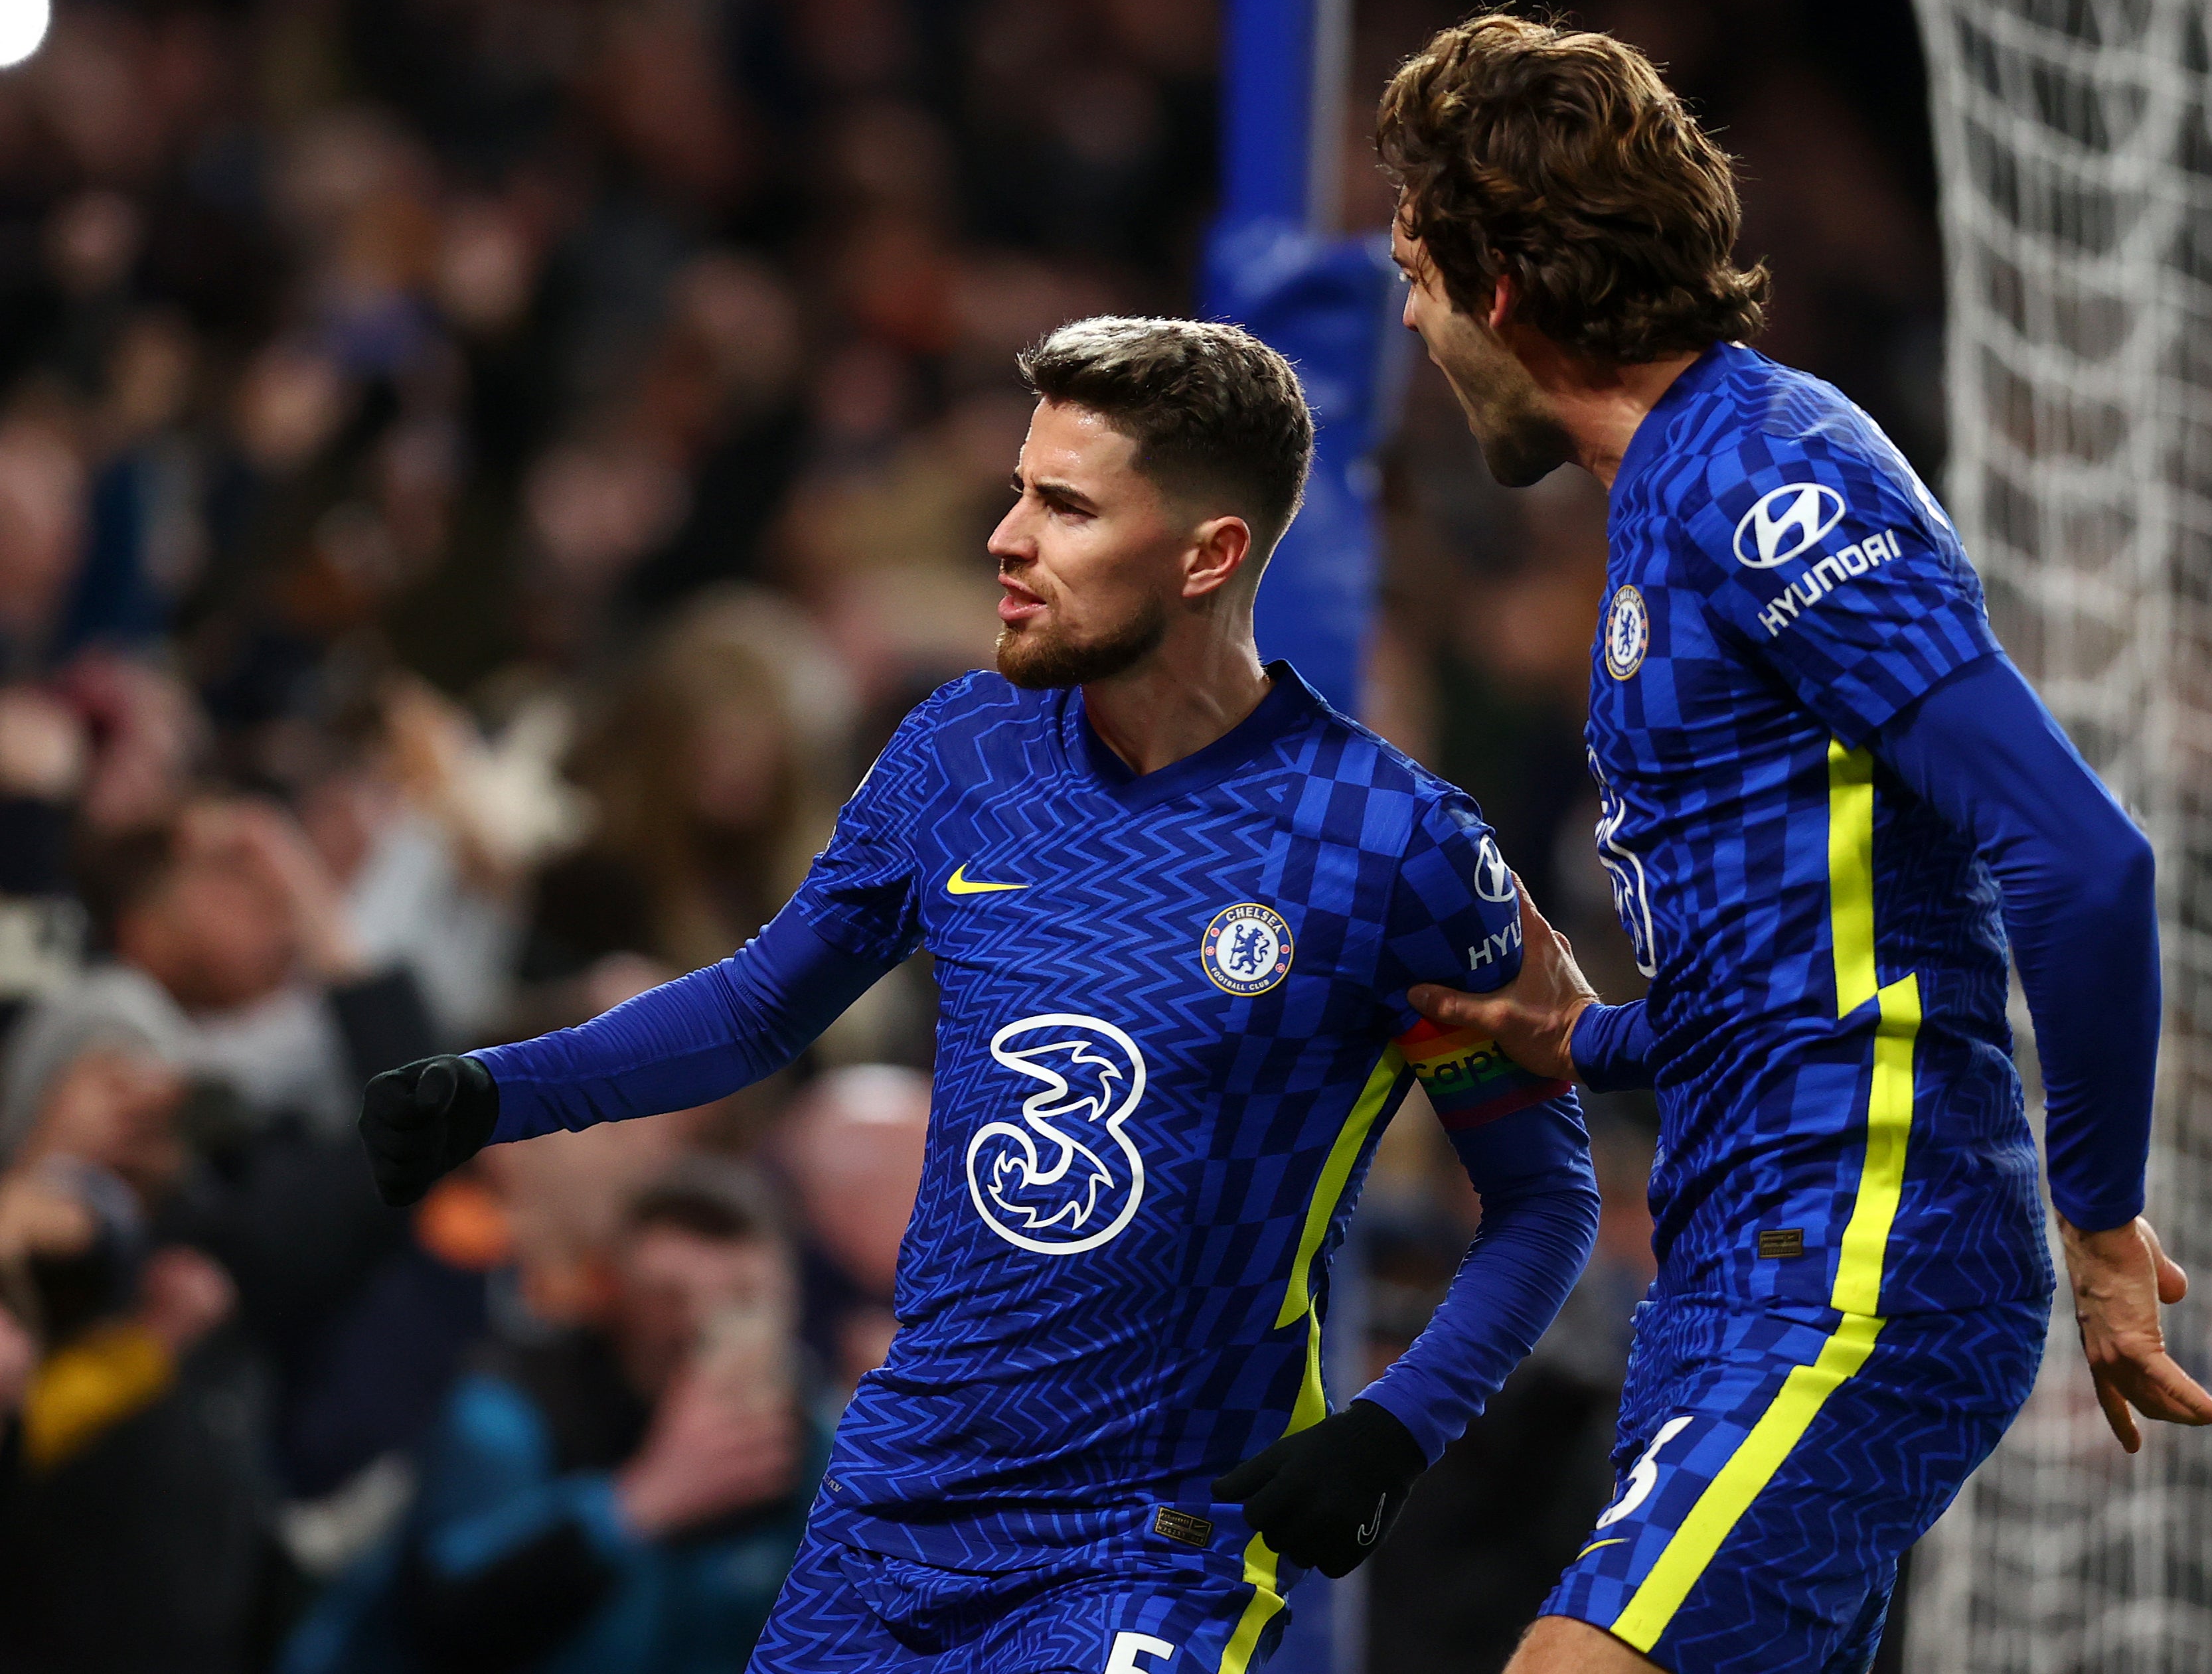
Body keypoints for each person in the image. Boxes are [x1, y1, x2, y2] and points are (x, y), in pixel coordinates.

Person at [360, 317, 1602, 1674]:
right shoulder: (961, 754)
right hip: (896, 1510)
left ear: (1208, 556)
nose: (1006, 539)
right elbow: (753, 1012)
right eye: (1018, 489)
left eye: (1063, 507)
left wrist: (1395, 1425)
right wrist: (501, 1087)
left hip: (1150, 1540)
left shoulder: (1393, 849)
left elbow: (1543, 1199)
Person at [1374, 13, 2212, 1674]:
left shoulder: (1769, 476)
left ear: (1497, 286)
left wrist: (2105, 1215)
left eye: (1416, 276)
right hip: (1740, 1259)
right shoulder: (1663, 500)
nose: (1408, 325)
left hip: (1858, 1258)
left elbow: (2080, 856)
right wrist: (1583, 1034)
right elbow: (1801, 955)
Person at [279, 1160, 827, 1674]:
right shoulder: (505, 1413)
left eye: (743, 1298)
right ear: (611, 1292)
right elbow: (446, 1625)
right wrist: (636, 1504)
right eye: (668, 1295)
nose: (700, 1325)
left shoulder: (811, 1437)